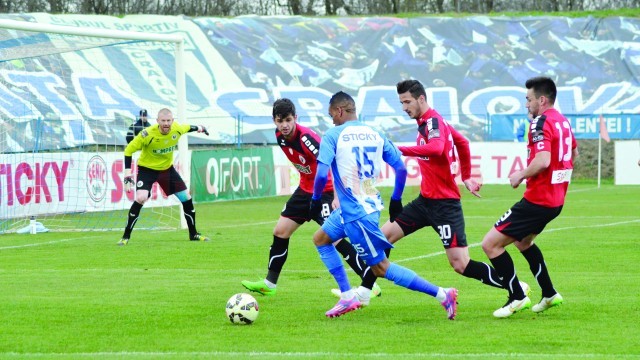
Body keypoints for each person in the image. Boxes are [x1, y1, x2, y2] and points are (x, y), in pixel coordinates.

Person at [310, 91, 458, 319]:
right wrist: (396, 200)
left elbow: (321, 175)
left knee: (381, 267)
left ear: (339, 111)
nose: (332, 120)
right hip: (364, 206)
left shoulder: (333, 135)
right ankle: (347, 295)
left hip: (358, 214)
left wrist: (315, 200)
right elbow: (400, 168)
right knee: (321, 238)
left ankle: (442, 294)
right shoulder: (375, 133)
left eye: (332, 114)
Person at [377, 79, 512, 295]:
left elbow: (437, 148)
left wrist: (399, 149)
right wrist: (466, 176)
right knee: (381, 239)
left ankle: (514, 286)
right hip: (424, 202)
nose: (404, 108)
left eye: (407, 102)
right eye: (401, 103)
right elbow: (463, 143)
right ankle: (366, 290)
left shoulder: (433, 122)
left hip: (444, 205)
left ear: (421, 98)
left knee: (460, 264)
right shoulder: (428, 123)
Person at [242, 98, 381, 302]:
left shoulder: (307, 138)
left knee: (334, 237)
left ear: (296, 118)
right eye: (280, 121)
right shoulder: (279, 136)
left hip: (324, 191)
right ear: (274, 121)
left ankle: (371, 283)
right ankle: (269, 284)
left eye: (288, 120)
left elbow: (332, 162)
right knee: (280, 231)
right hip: (304, 191)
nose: (285, 125)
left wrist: (336, 195)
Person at [481, 76, 578, 318]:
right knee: (523, 242)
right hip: (555, 201)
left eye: (529, 99)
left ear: (541, 100)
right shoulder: (563, 122)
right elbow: (573, 152)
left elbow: (543, 161)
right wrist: (560, 179)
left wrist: (520, 175)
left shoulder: (540, 122)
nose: (526, 105)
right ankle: (549, 293)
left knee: (490, 245)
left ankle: (517, 296)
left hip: (538, 200)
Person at [118, 108, 210, 246]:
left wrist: (201, 128)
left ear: (172, 121)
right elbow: (128, 150)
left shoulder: (177, 128)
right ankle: (125, 237)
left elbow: (190, 127)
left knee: (186, 197)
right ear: (157, 121)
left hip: (167, 170)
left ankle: (194, 234)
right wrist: (127, 174)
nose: (166, 123)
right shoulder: (147, 134)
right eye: (163, 121)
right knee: (141, 197)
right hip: (146, 170)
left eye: (168, 120)